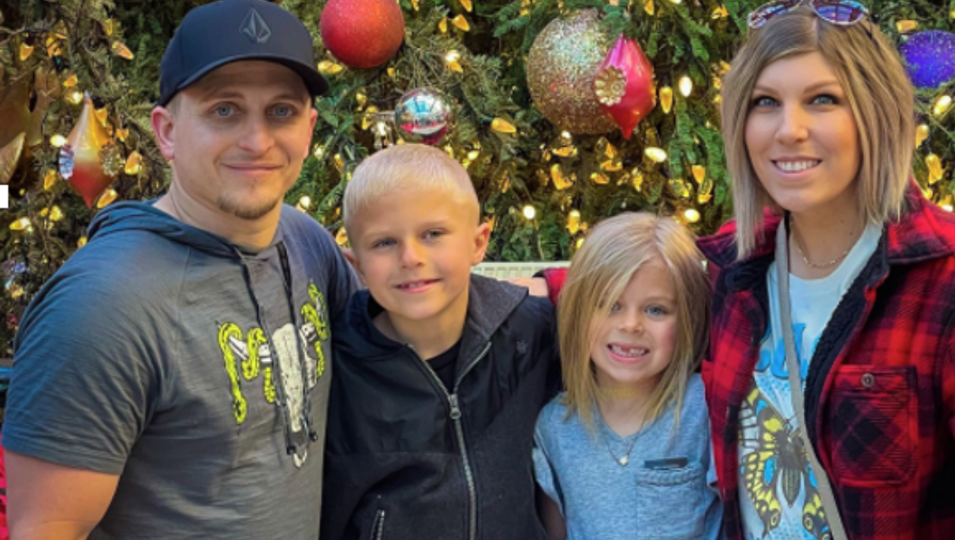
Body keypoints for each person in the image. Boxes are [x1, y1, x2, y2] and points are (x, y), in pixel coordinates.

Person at [696, 1, 955, 539]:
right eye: (765, 102)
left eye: (823, 99)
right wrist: (546, 287)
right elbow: (629, 291)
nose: (789, 130)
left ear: (875, 112)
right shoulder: (733, 269)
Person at [3, 1, 357, 538]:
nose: (258, 141)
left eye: (280, 111)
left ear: (308, 129)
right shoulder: (101, 308)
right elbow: (46, 529)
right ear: (166, 132)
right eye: (224, 110)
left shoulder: (305, 241)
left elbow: (396, 330)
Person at [321, 143, 560, 540]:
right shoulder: (338, 364)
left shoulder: (529, 332)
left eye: (432, 234)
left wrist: (553, 283)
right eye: (384, 243)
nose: (410, 257)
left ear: (478, 242)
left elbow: (619, 308)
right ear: (357, 264)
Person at [531, 213, 722, 540]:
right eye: (610, 305)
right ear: (579, 314)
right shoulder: (555, 426)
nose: (631, 325)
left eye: (656, 309)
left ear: (688, 320)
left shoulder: (703, 408)